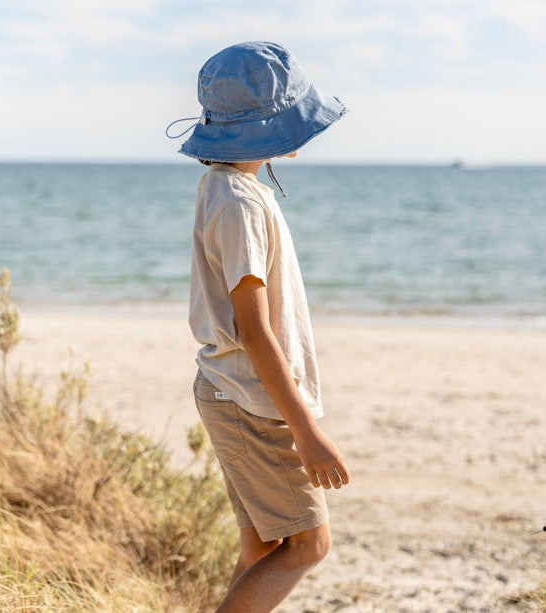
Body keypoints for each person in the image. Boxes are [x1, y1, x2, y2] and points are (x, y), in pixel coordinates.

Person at [167, 41, 350, 613]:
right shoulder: (240, 204)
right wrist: (305, 431)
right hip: (251, 401)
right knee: (308, 544)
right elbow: (254, 327)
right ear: (268, 130)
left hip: (230, 391)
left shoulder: (229, 188)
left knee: (264, 544)